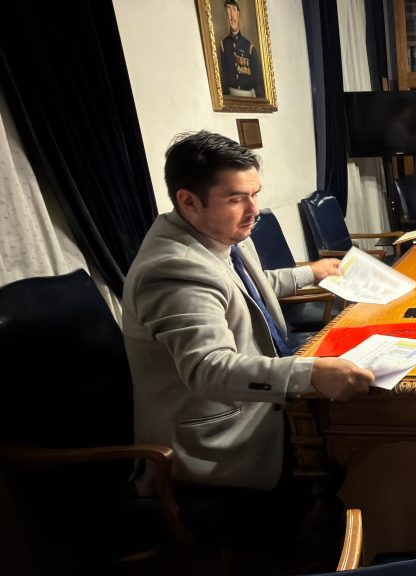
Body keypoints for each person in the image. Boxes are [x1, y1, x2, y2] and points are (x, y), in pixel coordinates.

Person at [122, 130, 373, 569]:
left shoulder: (221, 235)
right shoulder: (174, 269)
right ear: (189, 201)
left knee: (360, 437)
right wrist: (310, 372)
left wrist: (312, 272)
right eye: (237, 198)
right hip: (215, 443)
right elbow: (209, 369)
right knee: (360, 446)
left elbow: (249, 286)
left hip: (255, 406)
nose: (255, 210)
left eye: (255, 194)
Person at [219, 0, 265, 98]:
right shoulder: (223, 44)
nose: (232, 15)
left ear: (239, 14)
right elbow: (224, 79)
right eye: (228, 9)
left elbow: (257, 82)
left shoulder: (249, 47)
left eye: (234, 9)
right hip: (231, 96)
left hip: (249, 95)